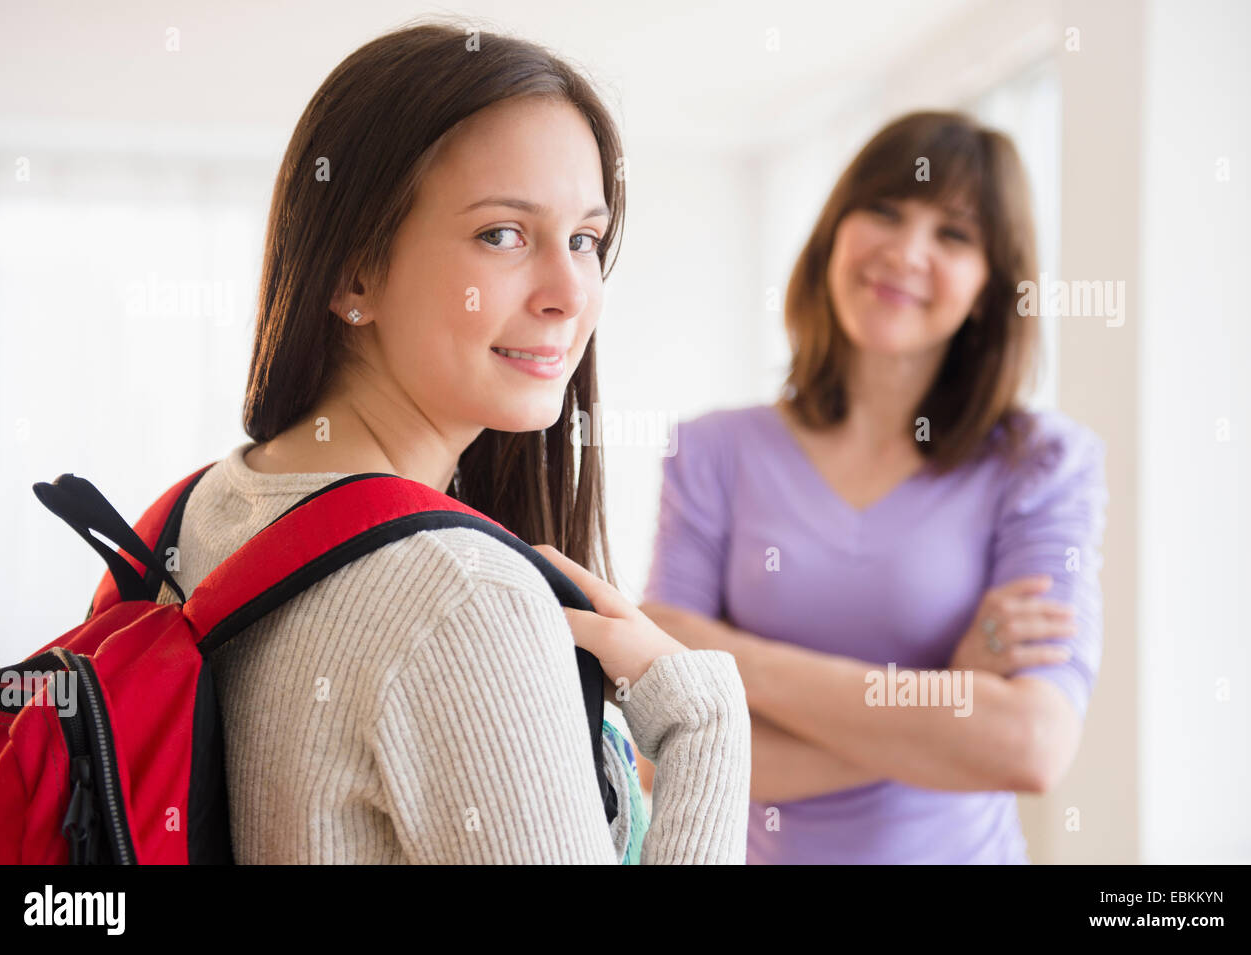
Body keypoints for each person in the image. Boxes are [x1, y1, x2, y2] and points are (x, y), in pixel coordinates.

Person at [156, 20, 750, 864]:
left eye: (584, 238)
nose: (569, 292)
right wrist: (706, 723)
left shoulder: (208, 506)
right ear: (354, 271)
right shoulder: (463, 595)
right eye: (502, 234)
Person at [639, 111, 1108, 864]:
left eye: (953, 235)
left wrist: (725, 660)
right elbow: (658, 752)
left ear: (991, 286)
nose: (906, 251)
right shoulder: (712, 450)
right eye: (884, 211)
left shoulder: (1044, 462)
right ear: (833, 235)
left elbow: (1031, 744)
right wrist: (942, 695)